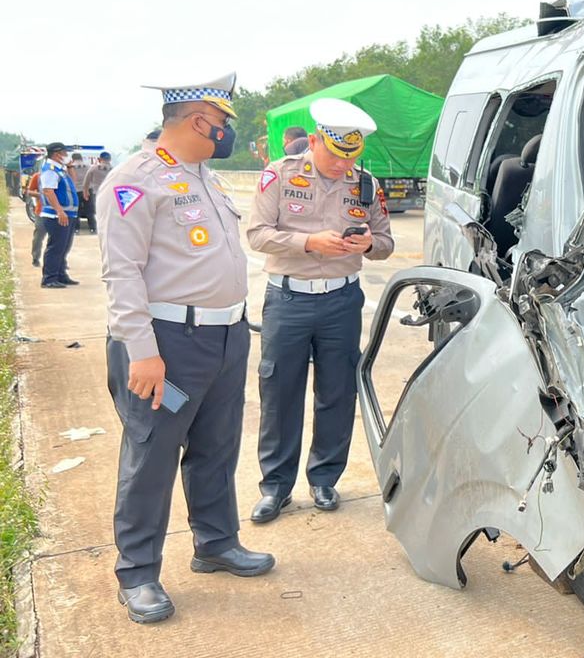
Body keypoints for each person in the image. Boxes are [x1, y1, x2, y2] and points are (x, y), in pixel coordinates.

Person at [97, 73, 274, 625]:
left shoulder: (205, 178)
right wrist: (142, 352)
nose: (225, 134)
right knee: (151, 457)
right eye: (221, 124)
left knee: (216, 448)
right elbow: (121, 273)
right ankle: (138, 573)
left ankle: (216, 543)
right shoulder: (134, 181)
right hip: (167, 346)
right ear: (199, 121)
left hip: (225, 337)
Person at [246, 98, 394, 523]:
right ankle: (275, 487)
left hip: (341, 301)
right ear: (313, 141)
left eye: (349, 158)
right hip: (288, 299)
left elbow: (385, 244)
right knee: (279, 394)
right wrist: (308, 243)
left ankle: (325, 478)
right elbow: (257, 234)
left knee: (336, 391)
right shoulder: (279, 174)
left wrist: (369, 245)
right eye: (332, 155)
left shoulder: (366, 185)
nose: (339, 166)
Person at [39, 142, 79, 288]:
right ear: (57, 154)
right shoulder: (50, 170)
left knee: (64, 247)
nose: (66, 156)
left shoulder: (60, 169)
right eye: (64, 153)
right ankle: (49, 278)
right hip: (56, 215)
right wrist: (59, 211)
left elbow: (73, 184)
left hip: (68, 214)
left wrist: (70, 167)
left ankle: (61, 275)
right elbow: (48, 191)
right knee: (56, 247)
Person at [79, 151, 112, 234]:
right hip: (110, 194)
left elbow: (86, 181)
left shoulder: (93, 168)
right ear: (110, 159)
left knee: (97, 211)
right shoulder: (114, 169)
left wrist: (85, 191)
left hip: (96, 193)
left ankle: (99, 228)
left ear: (99, 159)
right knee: (108, 211)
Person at [26, 162, 47, 267]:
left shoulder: (60, 177)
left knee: (57, 239)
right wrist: (40, 195)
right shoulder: (38, 176)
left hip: (57, 213)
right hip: (41, 211)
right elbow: (29, 191)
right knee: (39, 236)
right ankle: (35, 257)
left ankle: (57, 261)